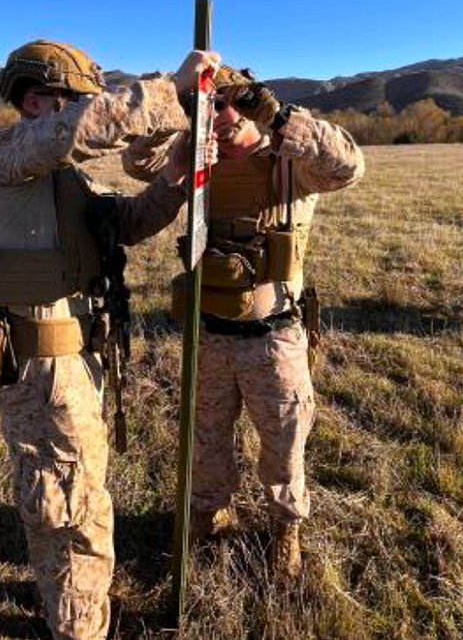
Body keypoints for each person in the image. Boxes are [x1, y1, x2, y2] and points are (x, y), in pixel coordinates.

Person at [0, 39, 218, 640]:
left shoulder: (60, 177)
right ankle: (79, 625)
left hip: (75, 359)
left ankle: (71, 599)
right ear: (36, 101)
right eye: (73, 102)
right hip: (45, 363)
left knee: (73, 493)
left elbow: (122, 225)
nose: (83, 112)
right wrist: (170, 91)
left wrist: (175, 181)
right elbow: (83, 128)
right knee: (72, 507)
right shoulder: (7, 154)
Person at [126, 66, 364, 577]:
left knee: (283, 438)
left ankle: (285, 527)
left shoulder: (290, 162)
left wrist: (277, 113)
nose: (222, 118)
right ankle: (210, 512)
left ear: (251, 105)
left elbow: (348, 166)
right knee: (207, 435)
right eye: (210, 109)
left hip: (272, 334)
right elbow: (136, 161)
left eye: (231, 105)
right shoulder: (196, 157)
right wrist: (174, 107)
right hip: (209, 332)